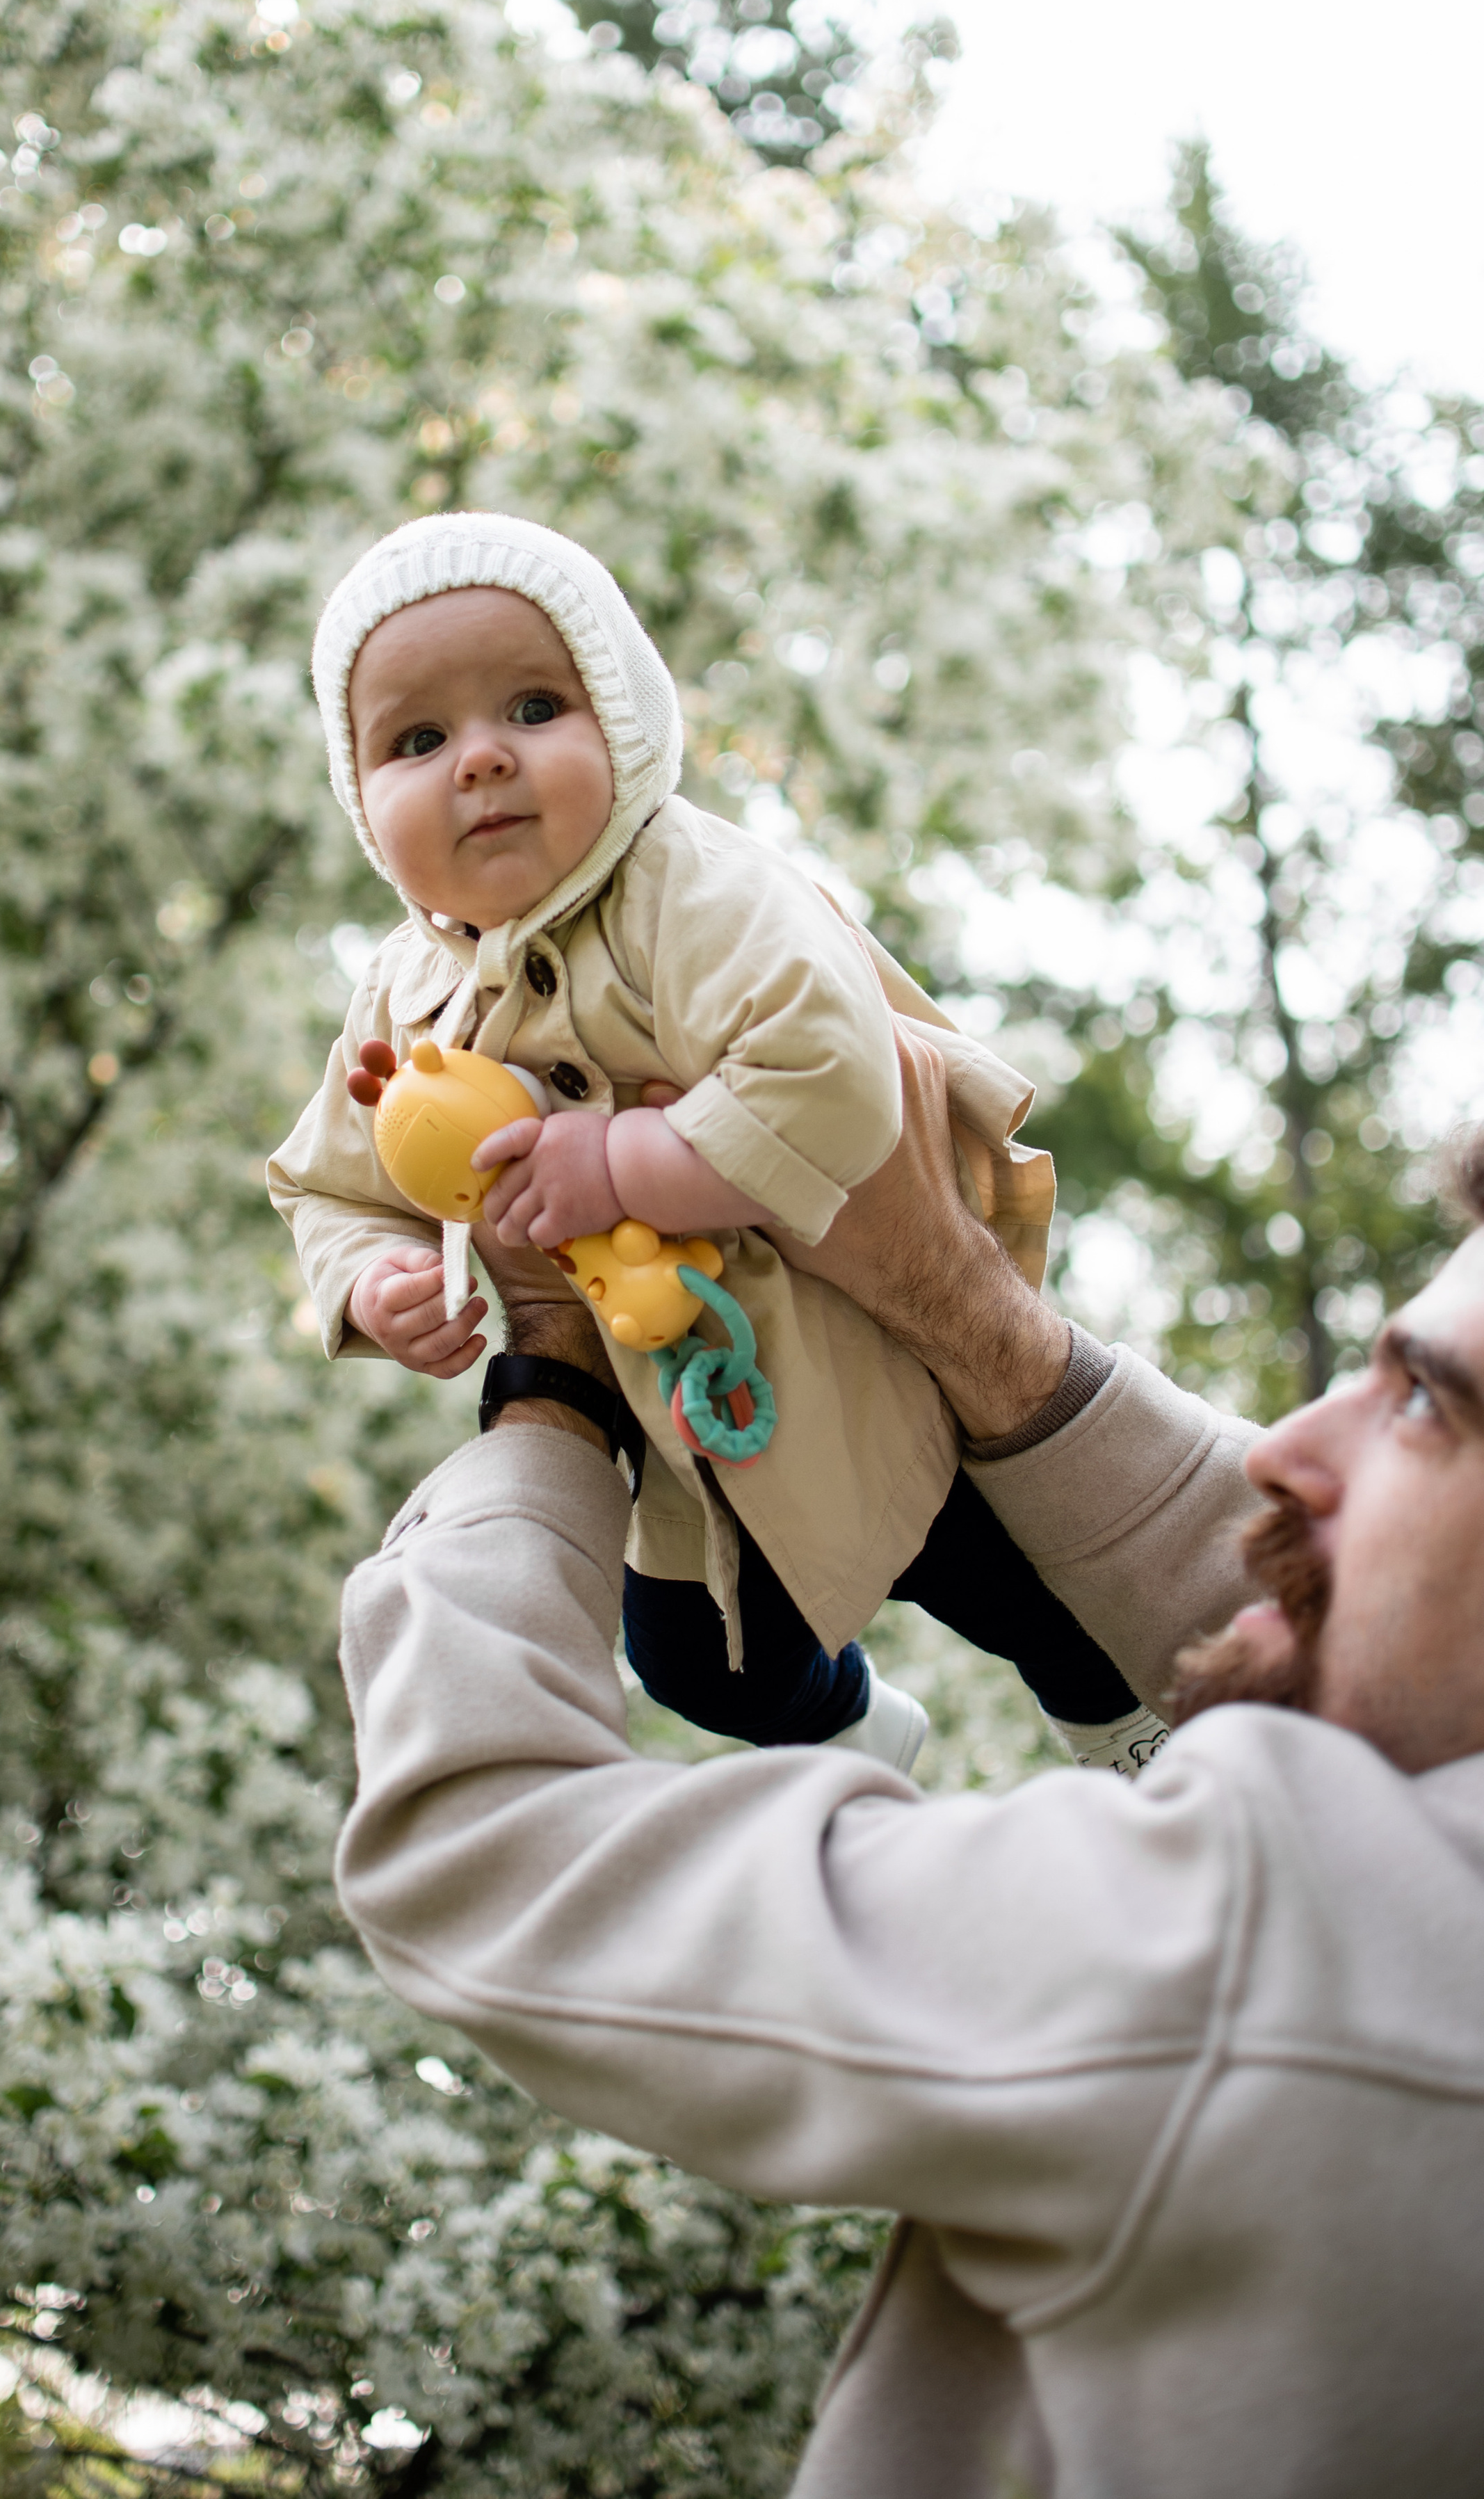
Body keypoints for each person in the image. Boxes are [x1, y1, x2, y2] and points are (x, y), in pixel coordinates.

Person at [332, 1022, 1484, 2496]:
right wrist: (955, 1304)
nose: (1287, 1448)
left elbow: (487, 1856)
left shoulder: (1289, 1940)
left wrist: (546, 1384)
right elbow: (1349, 1623)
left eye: (1417, 1404)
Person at [269, 510, 1156, 1772]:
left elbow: (833, 1069)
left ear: (626, 720)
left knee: (1012, 1575)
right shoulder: (402, 998)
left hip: (855, 1352)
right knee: (696, 1662)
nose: (479, 761)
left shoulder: (685, 888)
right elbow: (324, 1184)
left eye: (531, 708)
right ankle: (855, 1729)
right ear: (365, 802)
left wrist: (625, 1162)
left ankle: (1126, 1727)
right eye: (419, 740)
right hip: (690, 1428)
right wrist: (375, 1281)